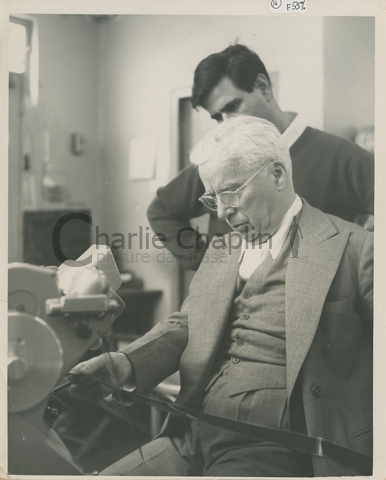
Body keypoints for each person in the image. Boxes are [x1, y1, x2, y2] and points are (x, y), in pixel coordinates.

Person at [69, 116, 373, 477]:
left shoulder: (356, 249)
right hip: (191, 433)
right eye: (213, 198)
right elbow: (187, 324)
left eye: (231, 193)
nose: (224, 212)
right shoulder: (222, 250)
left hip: (276, 446)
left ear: (277, 174)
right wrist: (124, 364)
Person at [147, 44, 374, 270]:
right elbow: (161, 209)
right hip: (232, 300)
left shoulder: (341, 156)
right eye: (217, 116)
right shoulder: (217, 162)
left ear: (263, 87)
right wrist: (207, 261)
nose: (228, 122)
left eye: (233, 106)